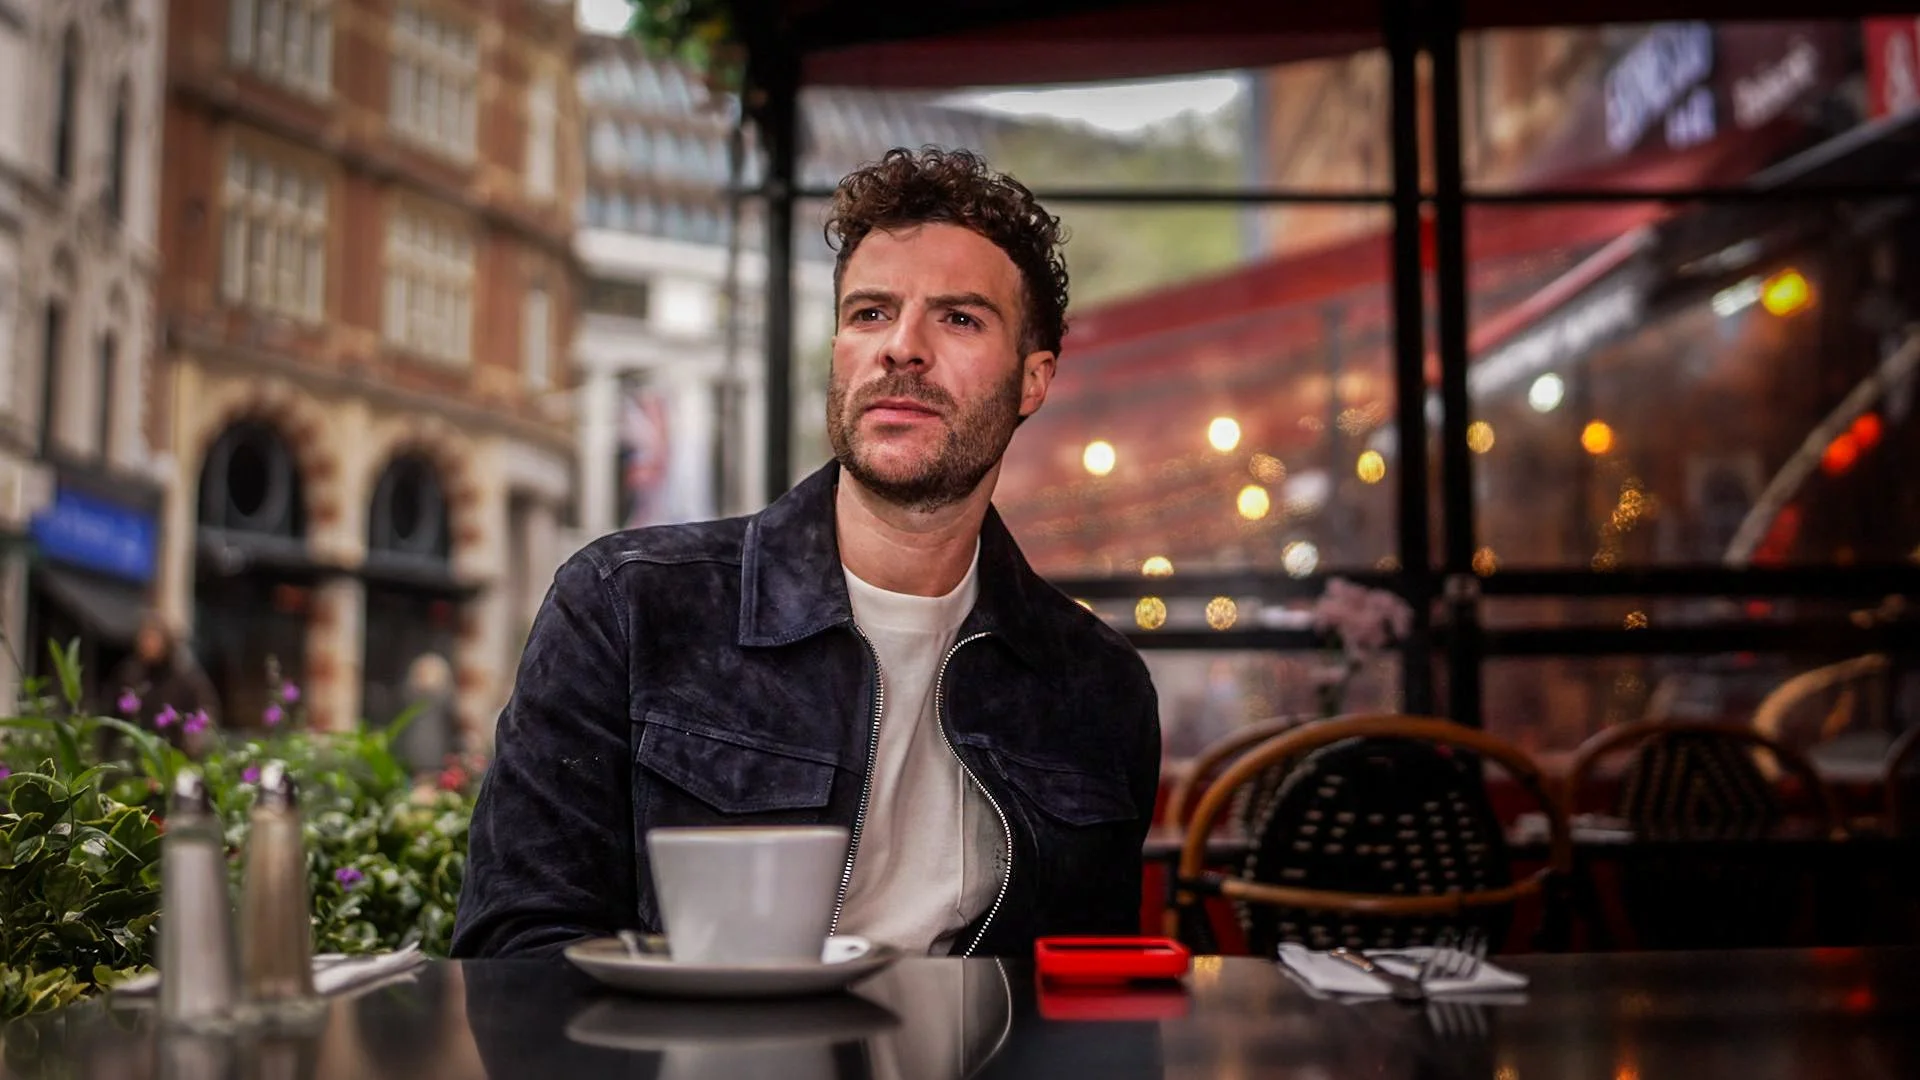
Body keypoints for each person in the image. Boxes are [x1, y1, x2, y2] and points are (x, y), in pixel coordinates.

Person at [452, 147, 1161, 960]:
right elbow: (516, 954)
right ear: (837, 351)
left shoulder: (1096, 690)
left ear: (1033, 381)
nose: (902, 347)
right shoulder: (627, 607)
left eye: (959, 318)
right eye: (869, 314)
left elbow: (1092, 994)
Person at [107, 614, 221, 759]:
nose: (149, 645)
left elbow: (206, 707)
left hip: (176, 754)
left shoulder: (185, 676)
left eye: (153, 639)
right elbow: (113, 714)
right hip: (138, 755)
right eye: (145, 639)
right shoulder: (130, 675)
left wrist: (195, 736)